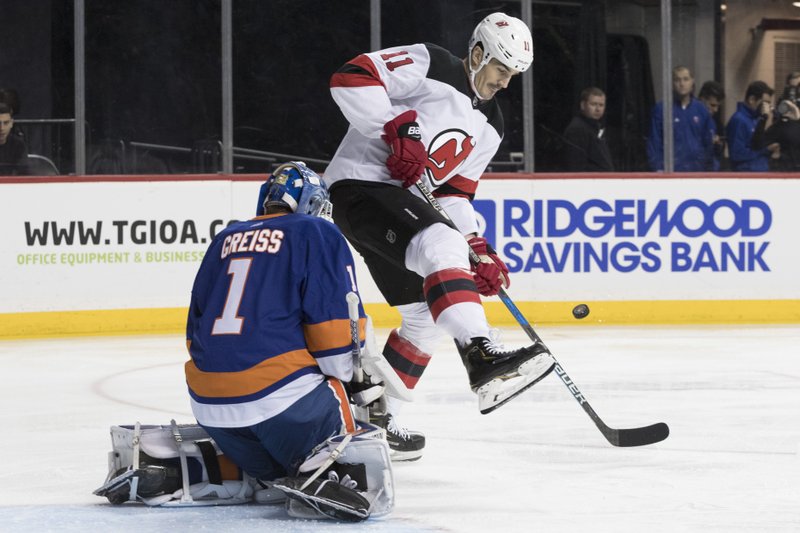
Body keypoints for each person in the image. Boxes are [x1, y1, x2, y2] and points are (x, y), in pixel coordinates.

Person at [324, 13, 556, 461]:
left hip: (402, 207)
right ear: (477, 54)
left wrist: (477, 247)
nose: (505, 83)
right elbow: (350, 76)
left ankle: (370, 422)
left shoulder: (492, 126)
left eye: (513, 76)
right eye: (500, 70)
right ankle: (481, 356)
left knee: (425, 317)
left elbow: (453, 194)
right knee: (439, 242)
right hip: (359, 187)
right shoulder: (433, 63)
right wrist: (394, 127)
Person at [184, 162, 393, 521]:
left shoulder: (224, 239)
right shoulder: (317, 233)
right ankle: (322, 472)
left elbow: (194, 333)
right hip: (284, 407)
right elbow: (335, 341)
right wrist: (356, 381)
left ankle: (257, 475)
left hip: (210, 408)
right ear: (312, 203)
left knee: (273, 458)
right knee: (346, 409)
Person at [646, 66, 716, 171]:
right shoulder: (661, 109)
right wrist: (658, 169)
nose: (682, 84)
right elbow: (654, 142)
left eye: (686, 79)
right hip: (671, 172)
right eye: (677, 80)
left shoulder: (701, 110)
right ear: (672, 84)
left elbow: (708, 143)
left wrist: (709, 169)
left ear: (692, 82)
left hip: (697, 172)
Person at [726, 81, 779, 172]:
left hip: (760, 170)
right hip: (746, 173)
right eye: (764, 103)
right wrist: (765, 150)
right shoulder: (739, 120)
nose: (766, 108)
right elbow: (737, 154)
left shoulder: (756, 119)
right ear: (752, 99)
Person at [562, 87, 614, 171]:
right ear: (583, 105)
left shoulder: (596, 127)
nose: (598, 109)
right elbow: (576, 168)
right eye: (593, 104)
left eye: (601, 105)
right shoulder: (577, 129)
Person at [697, 80, 726, 170]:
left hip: (709, 170)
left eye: (718, 106)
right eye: (712, 105)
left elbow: (717, 154)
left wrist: (718, 145)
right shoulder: (688, 116)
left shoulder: (714, 122)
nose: (716, 110)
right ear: (702, 99)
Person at [0, 102, 28, 175]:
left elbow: (23, 173)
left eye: (6, 123)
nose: (2, 128)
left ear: (11, 123)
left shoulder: (18, 145)